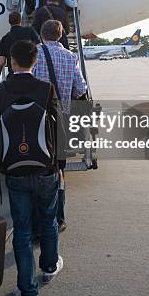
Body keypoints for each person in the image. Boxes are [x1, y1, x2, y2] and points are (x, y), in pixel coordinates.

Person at [0, 40, 66, 296]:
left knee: (21, 230)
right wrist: (58, 164)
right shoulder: (46, 89)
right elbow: (58, 131)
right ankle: (49, 266)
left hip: (15, 172)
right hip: (45, 169)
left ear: (11, 61)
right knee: (48, 220)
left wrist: (3, 161)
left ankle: (27, 291)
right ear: (35, 62)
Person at [33, 20, 87, 231]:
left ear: (41, 35)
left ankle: (39, 220)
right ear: (61, 35)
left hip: (37, 121)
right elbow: (80, 90)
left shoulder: (34, 54)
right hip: (61, 123)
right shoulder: (71, 57)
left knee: (37, 169)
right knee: (58, 170)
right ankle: (58, 218)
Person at [0, 11, 40, 76]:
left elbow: (1, 61)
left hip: (13, 74)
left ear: (9, 22)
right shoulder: (30, 31)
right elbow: (40, 48)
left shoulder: (5, 38)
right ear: (20, 20)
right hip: (30, 73)